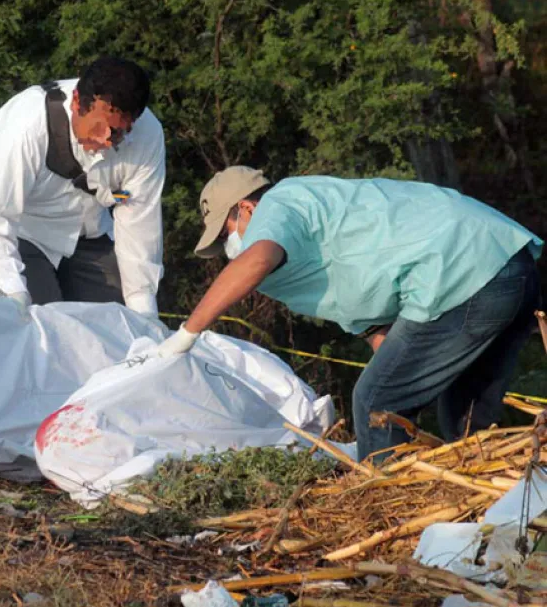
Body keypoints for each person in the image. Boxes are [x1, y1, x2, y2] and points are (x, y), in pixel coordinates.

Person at [158, 166, 543, 462]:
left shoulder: (280, 204)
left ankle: (391, 514)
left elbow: (257, 258)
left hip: (461, 270)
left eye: (226, 235)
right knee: (466, 415)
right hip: (508, 262)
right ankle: (486, 520)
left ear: (246, 207)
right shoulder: (318, 242)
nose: (230, 247)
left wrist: (187, 334)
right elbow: (384, 340)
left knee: (375, 401)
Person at [0, 57, 165, 321]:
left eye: (116, 133)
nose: (104, 140)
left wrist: (143, 312)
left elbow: (139, 226)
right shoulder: (26, 126)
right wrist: (15, 293)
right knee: (43, 324)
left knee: (119, 324)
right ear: (77, 101)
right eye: (99, 127)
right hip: (25, 232)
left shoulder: (148, 137)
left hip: (89, 231)